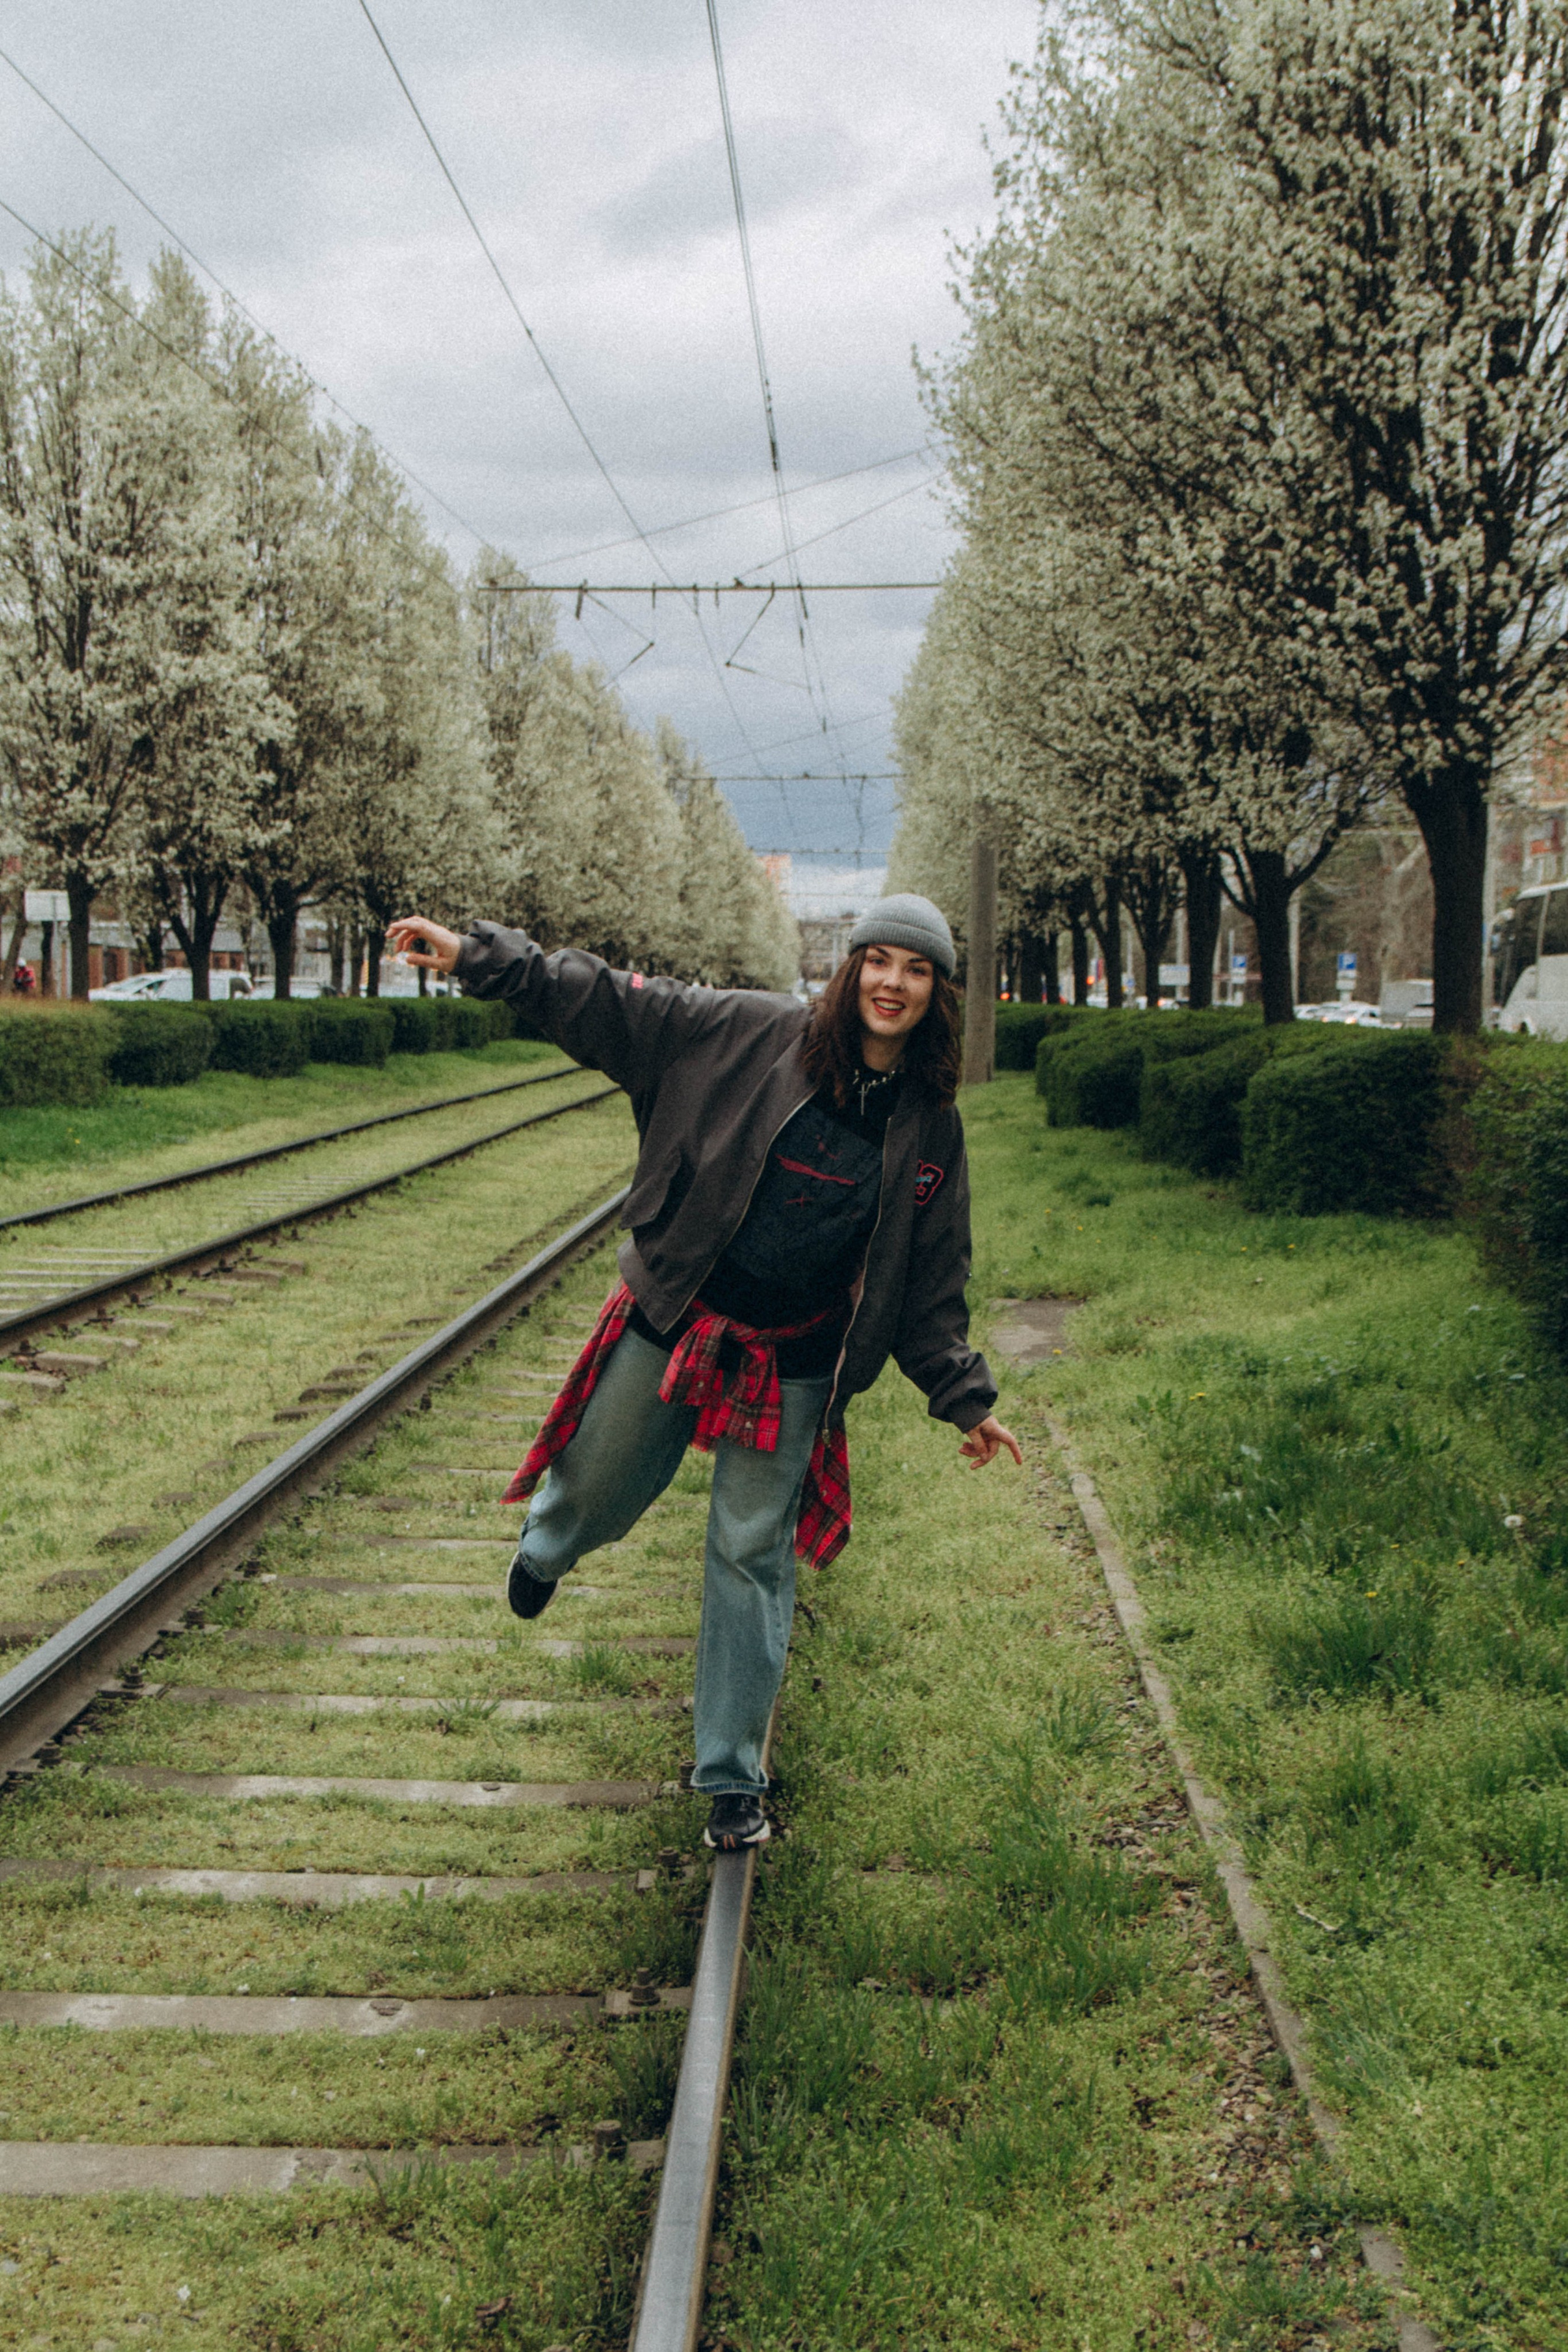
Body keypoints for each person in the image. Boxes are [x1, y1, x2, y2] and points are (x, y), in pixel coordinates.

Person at [385, 896, 1021, 1852]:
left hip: (796, 1356)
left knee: (750, 1555)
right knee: (600, 1482)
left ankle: (731, 1777)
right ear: (851, 969)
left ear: (938, 992)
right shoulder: (751, 1032)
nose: (893, 983)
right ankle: (548, 1548)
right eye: (879, 961)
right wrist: (482, 957)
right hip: (681, 1313)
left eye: (917, 969)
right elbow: (613, 1003)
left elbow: (932, 1279)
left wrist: (964, 1397)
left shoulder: (930, 1126)